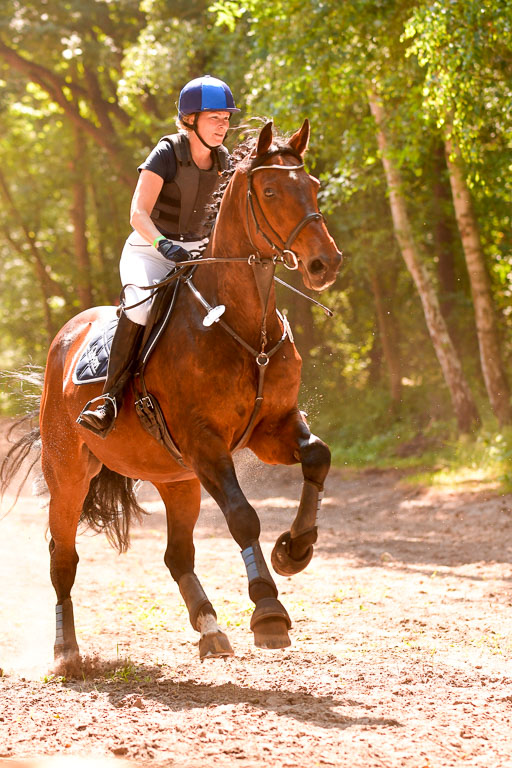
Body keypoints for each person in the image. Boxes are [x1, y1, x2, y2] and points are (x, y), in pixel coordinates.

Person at [77, 75, 240, 437]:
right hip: (150, 250)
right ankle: (109, 400)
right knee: (141, 307)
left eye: (226, 119)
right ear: (190, 120)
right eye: (215, 117)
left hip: (197, 253)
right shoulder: (167, 153)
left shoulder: (224, 160)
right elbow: (138, 213)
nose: (223, 126)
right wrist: (162, 244)